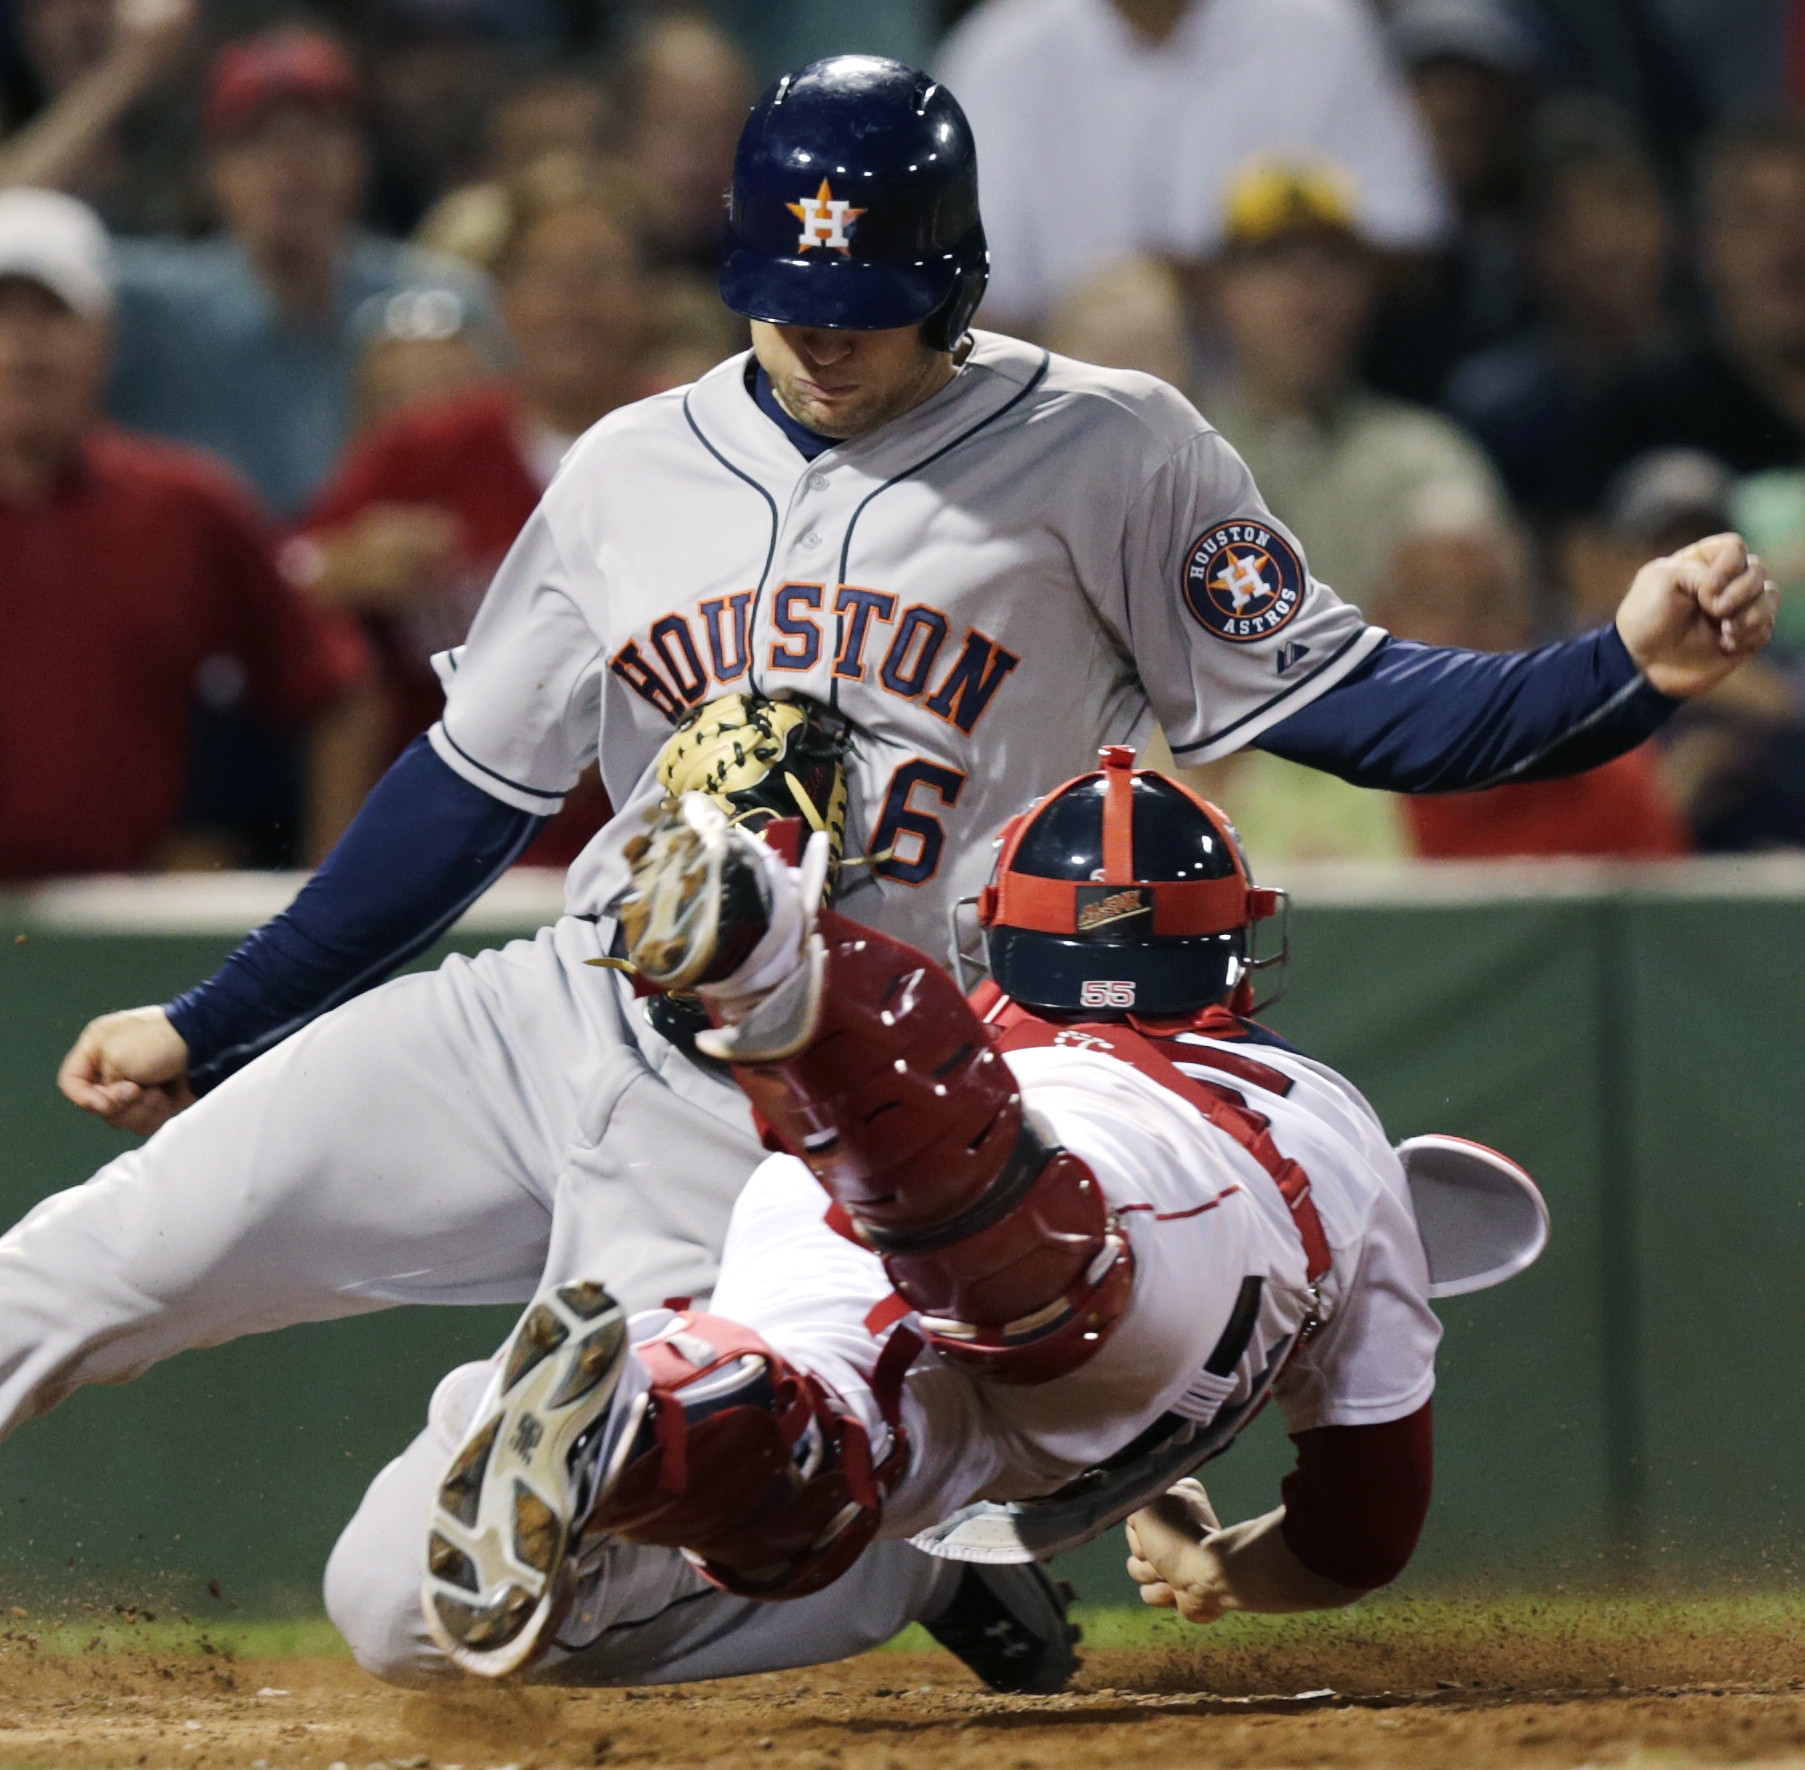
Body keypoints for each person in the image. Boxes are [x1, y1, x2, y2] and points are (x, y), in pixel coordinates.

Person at [1, 56, 1773, 1690]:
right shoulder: (632, 468)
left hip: (812, 1128)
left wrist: (1611, 668)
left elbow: (1363, 704)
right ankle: (867, 1535)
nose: (826, 341)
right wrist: (216, 1017)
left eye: (870, 307)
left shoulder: (1115, 447)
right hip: (560, 1010)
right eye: (791, 298)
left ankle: (898, 1566)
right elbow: (468, 792)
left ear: (961, 277)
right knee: (76, 1267)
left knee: (404, 1614)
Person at [342, 751, 1454, 1683]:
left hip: (845, 1190)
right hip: (1162, 1184)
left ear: (999, 936)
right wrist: (1231, 1572)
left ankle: (645, 1410)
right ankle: (789, 975)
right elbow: (1362, 1529)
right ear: (1236, 942)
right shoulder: (1324, 1118)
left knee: (821, 1454)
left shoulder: (1012, 1050)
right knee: (1033, 1290)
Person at [0, 186, 374, 879]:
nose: (24, 344)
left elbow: (336, 690)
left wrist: (329, 899)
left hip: (118, 931)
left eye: (52, 314)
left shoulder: (185, 508)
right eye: (3, 315)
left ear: (105, 340)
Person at [292, 165, 650, 861]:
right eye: (549, 277)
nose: (575, 305)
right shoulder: (425, 451)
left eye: (600, 276)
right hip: (449, 862)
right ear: (505, 299)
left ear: (642, 298)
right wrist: (338, 565)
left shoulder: (703, 444)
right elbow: (278, 581)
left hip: (647, 862)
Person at [105, 27, 490, 520]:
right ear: (210, 173)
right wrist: (116, 82)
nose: (291, 163)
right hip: (208, 591)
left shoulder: (439, 301)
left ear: (359, 159)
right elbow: (16, 239)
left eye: (317, 135)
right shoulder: (149, 305)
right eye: (257, 141)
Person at [936, 0, 1449, 332]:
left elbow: (1412, 248)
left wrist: (1224, 289)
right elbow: (958, 301)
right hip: (1063, 408)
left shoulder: (1318, 28)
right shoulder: (1001, 52)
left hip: (1277, 419)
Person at [1444, 103, 1674, 517]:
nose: (1618, 239)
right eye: (1579, 222)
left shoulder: (1715, 383)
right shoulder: (1498, 413)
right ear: (1539, 250)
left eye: (1629, 204)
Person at [1571, 115, 1805, 513]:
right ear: (1705, 247)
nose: (1788, 246)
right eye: (1755, 218)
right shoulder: (1636, 418)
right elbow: (1584, 559)